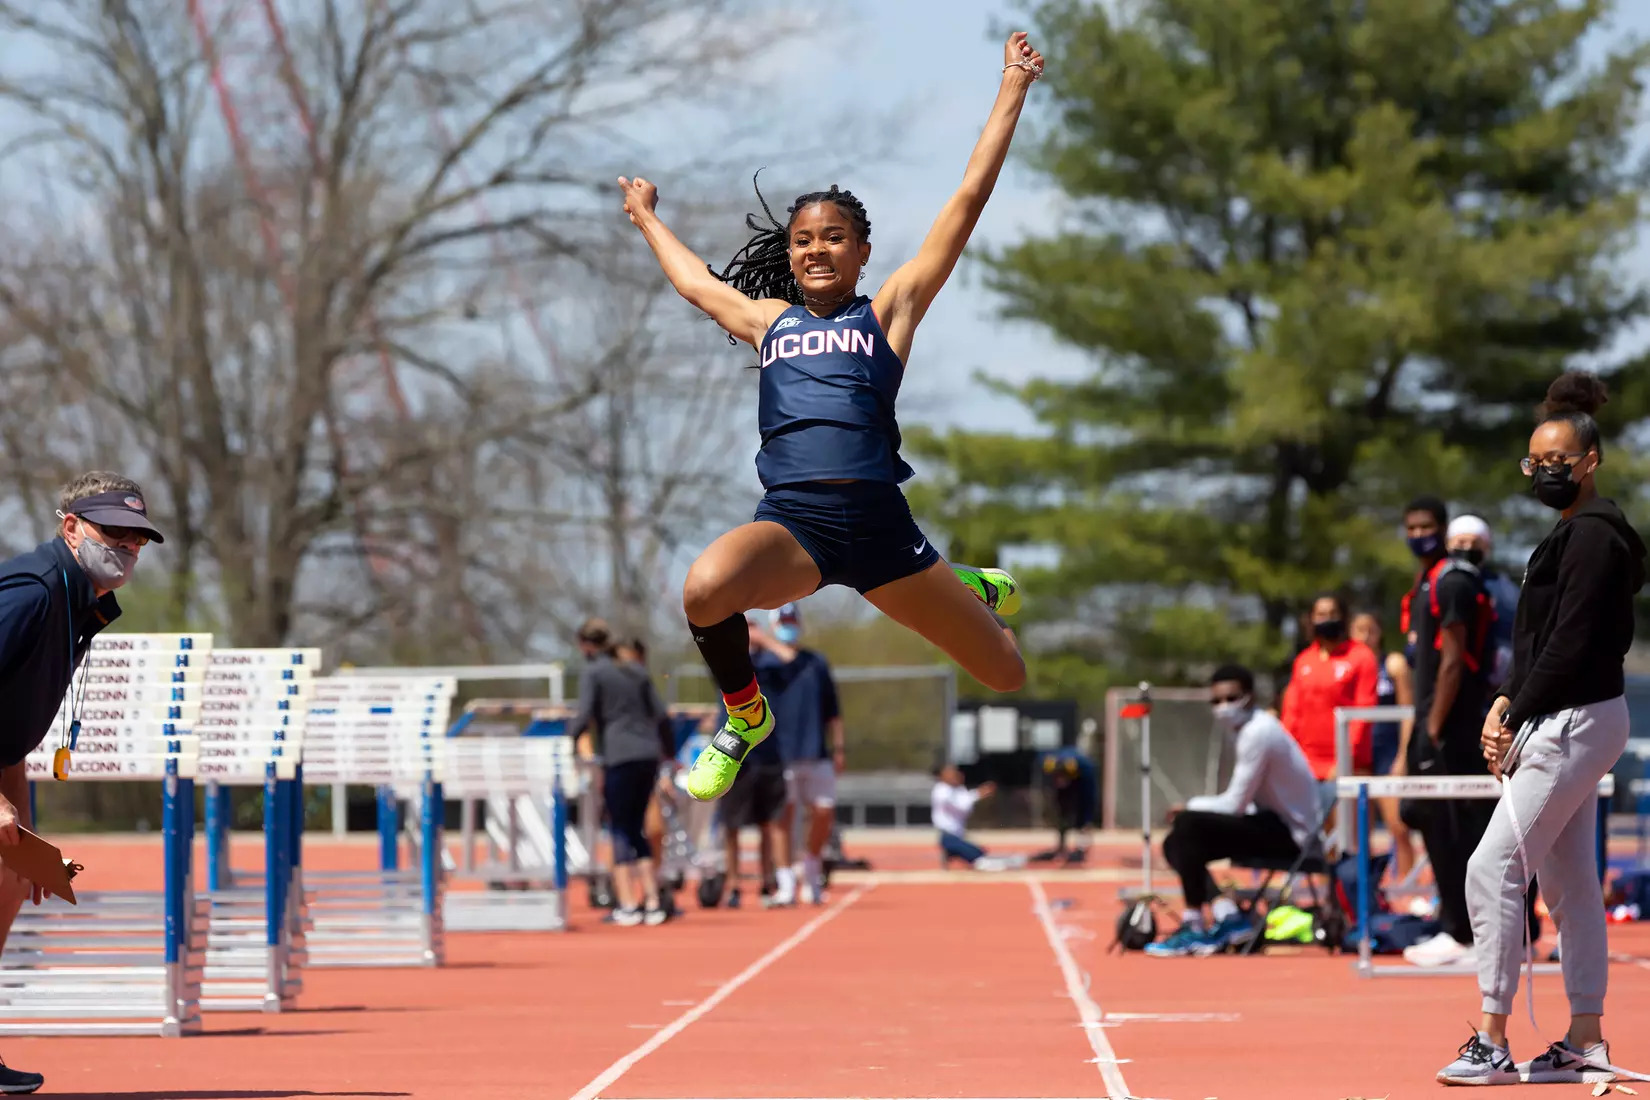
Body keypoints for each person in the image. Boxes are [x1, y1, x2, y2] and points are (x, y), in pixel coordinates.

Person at [617, 31, 1045, 806]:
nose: (817, 250)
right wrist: (646, 218)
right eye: (804, 241)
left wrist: (1012, 84)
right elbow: (695, 285)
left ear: (862, 251)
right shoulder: (768, 322)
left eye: (834, 238)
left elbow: (967, 200)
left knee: (1007, 674)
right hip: (796, 527)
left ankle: (960, 584)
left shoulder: (889, 312)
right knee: (705, 588)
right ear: (791, 254)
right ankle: (746, 717)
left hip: (882, 532)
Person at [1438, 371, 1644, 1086]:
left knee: (1491, 866)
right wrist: (1510, 702)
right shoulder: (1575, 534)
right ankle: (1585, 1038)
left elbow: (1570, 642)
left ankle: (1492, 1039)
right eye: (1536, 462)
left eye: (1559, 460)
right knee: (1570, 883)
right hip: (1572, 715)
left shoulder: (1593, 537)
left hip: (1575, 719)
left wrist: (1510, 709)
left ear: (1590, 461)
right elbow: (1540, 645)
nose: (1546, 471)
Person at [0, 471, 164, 1096]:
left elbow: (8, 733)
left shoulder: (76, 601)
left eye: (138, 537)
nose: (127, 546)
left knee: (11, 880)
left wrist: (26, 834)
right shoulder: (34, 592)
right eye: (113, 531)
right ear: (71, 528)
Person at [1146, 664, 1321, 958]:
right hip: (1269, 821)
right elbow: (1245, 803)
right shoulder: (1242, 731)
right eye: (1216, 701)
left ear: (1249, 697)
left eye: (1231, 698)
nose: (1223, 707)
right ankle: (1227, 914)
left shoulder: (1258, 732)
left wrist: (1190, 807)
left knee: (1188, 824)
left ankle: (1195, 925)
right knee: (1175, 843)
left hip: (1295, 836)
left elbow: (1235, 804)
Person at [1396, 494, 1502, 969]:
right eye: (1411, 527)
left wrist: (1434, 727)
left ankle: (1464, 931)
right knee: (1428, 817)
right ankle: (1458, 923)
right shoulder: (1425, 583)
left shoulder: (1452, 580)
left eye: (1427, 527)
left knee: (1458, 827)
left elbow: (1454, 662)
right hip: (1432, 721)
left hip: (1452, 725)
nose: (1419, 535)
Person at [570, 619, 675, 927]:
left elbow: (584, 714)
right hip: (648, 755)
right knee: (636, 828)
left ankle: (628, 903)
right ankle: (652, 902)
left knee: (618, 827)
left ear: (586, 646)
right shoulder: (636, 671)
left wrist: (567, 740)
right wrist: (669, 753)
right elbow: (662, 715)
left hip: (619, 756)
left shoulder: (594, 673)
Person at [755, 604, 843, 905]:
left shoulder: (816, 662)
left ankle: (811, 866)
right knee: (783, 815)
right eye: (783, 621)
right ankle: (785, 881)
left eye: (792, 620)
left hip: (815, 750)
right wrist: (759, 641)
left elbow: (833, 710)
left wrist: (839, 747)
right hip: (780, 751)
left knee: (823, 811)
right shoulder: (763, 663)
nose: (789, 626)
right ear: (773, 625)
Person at [713, 618, 795, 907]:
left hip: (769, 752)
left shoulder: (772, 664)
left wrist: (764, 640)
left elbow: (791, 659)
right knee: (732, 823)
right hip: (736, 753)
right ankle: (734, 883)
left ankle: (767, 880)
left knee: (768, 822)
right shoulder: (728, 662)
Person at [1279, 592, 1380, 806]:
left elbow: (1363, 714)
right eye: (1321, 615)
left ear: (1343, 617)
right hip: (1305, 764)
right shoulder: (1304, 660)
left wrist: (1344, 760)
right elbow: (1292, 713)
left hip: (1349, 764)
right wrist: (1287, 757)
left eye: (1333, 613)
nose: (1327, 619)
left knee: (1347, 826)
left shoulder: (1361, 657)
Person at [1349, 611, 1420, 884]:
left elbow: (1407, 713)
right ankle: (1361, 890)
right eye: (1359, 629)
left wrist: (1403, 755)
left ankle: (1407, 888)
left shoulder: (1393, 665)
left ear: (1380, 632)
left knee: (1398, 825)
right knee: (1355, 832)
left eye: (1371, 629)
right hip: (1357, 754)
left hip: (1387, 752)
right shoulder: (1347, 667)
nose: (1365, 636)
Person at [1444, 514, 1521, 696]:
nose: (1468, 548)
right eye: (1461, 542)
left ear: (1487, 547)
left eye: (1475, 543)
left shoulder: (1504, 590)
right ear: (1448, 544)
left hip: (1488, 687)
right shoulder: (1436, 582)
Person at [930, 765, 1023, 871]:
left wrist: (979, 792)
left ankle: (951, 854)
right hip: (948, 836)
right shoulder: (941, 791)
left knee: (980, 852)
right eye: (950, 773)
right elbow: (962, 806)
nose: (955, 776)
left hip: (958, 835)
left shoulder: (958, 789)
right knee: (979, 859)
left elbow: (966, 798)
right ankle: (952, 852)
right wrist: (979, 793)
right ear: (942, 776)